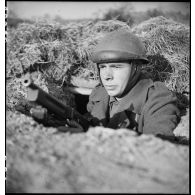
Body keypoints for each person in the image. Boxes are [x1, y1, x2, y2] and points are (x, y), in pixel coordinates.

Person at [85, 29, 180, 136]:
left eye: (116, 67)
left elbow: (156, 145)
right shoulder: (99, 93)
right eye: (102, 67)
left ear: (136, 68)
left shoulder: (158, 98)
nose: (107, 76)